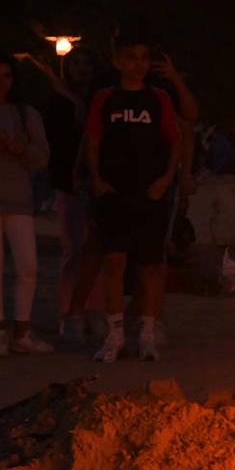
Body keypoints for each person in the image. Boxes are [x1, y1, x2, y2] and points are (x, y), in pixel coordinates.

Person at [84, 34, 182, 362]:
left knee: (150, 265)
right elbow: (94, 140)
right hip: (114, 191)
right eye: (131, 57)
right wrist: (97, 179)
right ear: (118, 62)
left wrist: (165, 180)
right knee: (114, 260)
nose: (137, 64)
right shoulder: (105, 98)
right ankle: (115, 336)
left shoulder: (158, 99)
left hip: (149, 191)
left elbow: (174, 141)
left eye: (143, 57)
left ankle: (148, 334)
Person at [29, 49, 108, 340]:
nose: (81, 69)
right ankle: (69, 310)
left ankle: (94, 308)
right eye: (75, 62)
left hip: (98, 181)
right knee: (74, 248)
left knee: (96, 248)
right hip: (69, 183)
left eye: (86, 62)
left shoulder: (101, 98)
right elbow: (56, 142)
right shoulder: (57, 103)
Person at [0, 53, 52, 356]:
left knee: (27, 265)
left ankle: (21, 330)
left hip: (18, 199)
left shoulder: (26, 115)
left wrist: (15, 147)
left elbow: (41, 158)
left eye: (6, 76)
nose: (0, 83)